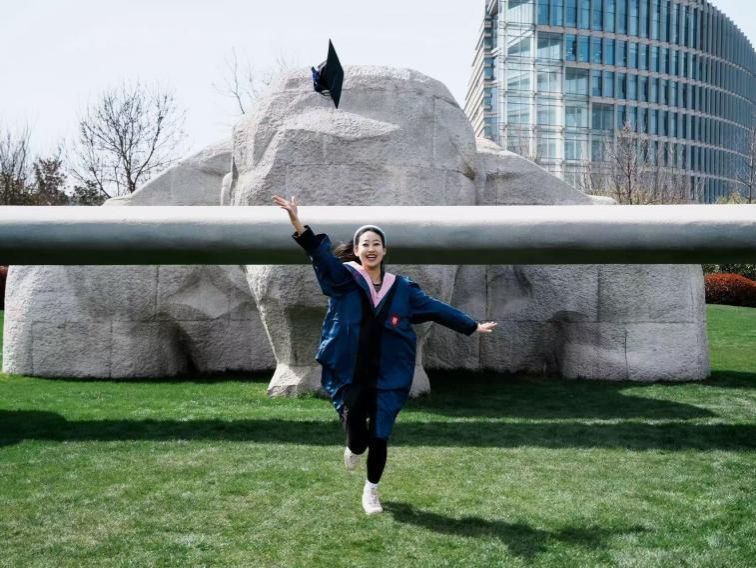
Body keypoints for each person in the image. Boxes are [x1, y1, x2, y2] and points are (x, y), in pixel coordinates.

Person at [273, 195, 497, 515]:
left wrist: (471, 326)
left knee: (380, 435)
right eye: (365, 244)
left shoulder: (402, 288)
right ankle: (353, 447)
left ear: (384, 250)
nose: (371, 248)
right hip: (352, 370)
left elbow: (435, 308)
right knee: (359, 438)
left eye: (376, 243)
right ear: (357, 249)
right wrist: (297, 221)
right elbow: (320, 256)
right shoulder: (346, 279)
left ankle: (372, 490)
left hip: (389, 373)